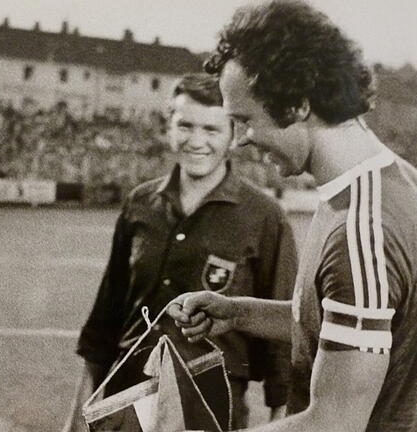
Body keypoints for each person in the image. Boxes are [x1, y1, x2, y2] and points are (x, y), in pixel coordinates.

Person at [168, 1, 417, 431]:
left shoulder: (364, 230)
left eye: (245, 120)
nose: (241, 140)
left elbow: (332, 424)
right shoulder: (400, 179)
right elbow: (346, 319)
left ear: (298, 105)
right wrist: (239, 312)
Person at [63, 73, 297, 431]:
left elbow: (284, 342)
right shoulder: (140, 203)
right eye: (185, 125)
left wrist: (282, 418)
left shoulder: (264, 216)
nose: (196, 141)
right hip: (128, 400)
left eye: (211, 129)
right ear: (169, 127)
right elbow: (105, 319)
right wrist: (76, 419)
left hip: (211, 403)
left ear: (232, 134)